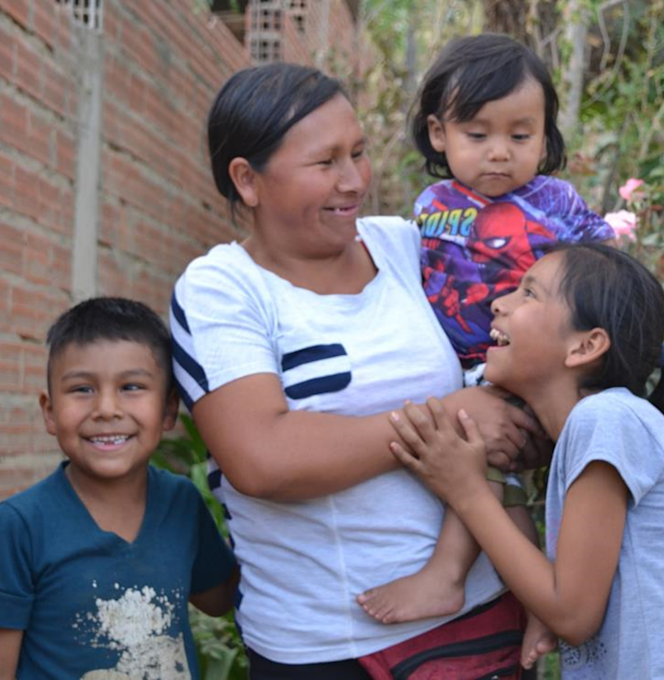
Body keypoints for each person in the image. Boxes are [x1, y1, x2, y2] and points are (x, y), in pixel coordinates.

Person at [171, 62, 542, 678]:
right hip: (329, 646)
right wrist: (450, 417)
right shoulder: (222, 289)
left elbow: (514, 345)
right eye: (326, 163)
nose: (354, 181)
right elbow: (262, 458)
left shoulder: (412, 247)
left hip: (484, 625)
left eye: (360, 153)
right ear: (248, 180)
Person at [358, 32, 614, 638]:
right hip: (459, 363)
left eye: (520, 136)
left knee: (476, 462)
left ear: (545, 136)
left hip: (524, 363)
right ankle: (535, 602)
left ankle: (448, 574)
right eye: (478, 135)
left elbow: (604, 260)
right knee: (502, 479)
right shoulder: (431, 204)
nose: (499, 152)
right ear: (439, 134)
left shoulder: (556, 200)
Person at [389, 243, 664, 678]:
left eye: (529, 294)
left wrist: (465, 490)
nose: (498, 303)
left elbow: (573, 616)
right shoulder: (599, 428)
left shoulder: (605, 419)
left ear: (585, 346)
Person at [0, 297, 238, 680]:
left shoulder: (181, 503)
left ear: (167, 411)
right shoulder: (18, 527)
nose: (107, 408)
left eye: (131, 386)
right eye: (82, 389)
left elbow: (218, 598)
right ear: (49, 411)